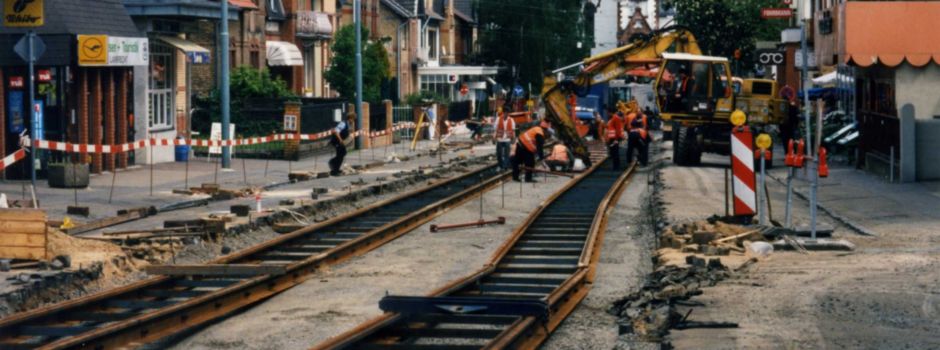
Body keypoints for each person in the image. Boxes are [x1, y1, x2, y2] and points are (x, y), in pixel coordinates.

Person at [329, 111, 352, 176]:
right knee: (340, 155)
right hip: (337, 142)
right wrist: (340, 140)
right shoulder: (343, 123)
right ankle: (334, 170)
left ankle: (335, 167)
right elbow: (336, 131)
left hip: (341, 143)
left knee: (343, 153)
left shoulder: (347, 124)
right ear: (350, 118)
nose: (353, 121)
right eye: (353, 119)